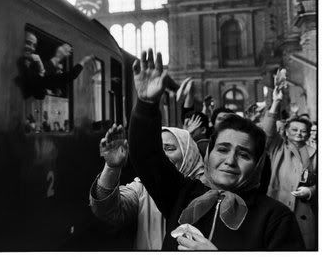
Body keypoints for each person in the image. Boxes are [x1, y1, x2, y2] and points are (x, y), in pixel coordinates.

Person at [128, 49, 304, 250]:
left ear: (257, 165)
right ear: (208, 154)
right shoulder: (182, 194)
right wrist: (146, 105)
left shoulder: (276, 219)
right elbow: (146, 155)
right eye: (222, 149)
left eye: (243, 154)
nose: (230, 160)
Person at [89, 124, 204, 250]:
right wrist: (112, 167)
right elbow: (107, 209)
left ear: (188, 154)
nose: (161, 157)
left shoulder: (206, 190)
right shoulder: (142, 187)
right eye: (156, 151)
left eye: (169, 148)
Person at [261, 70, 317, 250]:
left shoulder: (315, 152)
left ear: (309, 133)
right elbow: (267, 132)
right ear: (286, 131)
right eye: (294, 130)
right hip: (278, 204)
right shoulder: (278, 148)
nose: (299, 134)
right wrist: (276, 102)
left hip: (305, 212)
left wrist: (310, 191)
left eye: (303, 131)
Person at [16, 31, 94, 99]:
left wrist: (83, 61)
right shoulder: (21, 64)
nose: (32, 48)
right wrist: (56, 58)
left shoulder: (30, 65)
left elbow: (39, 94)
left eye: (34, 45)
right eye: (28, 43)